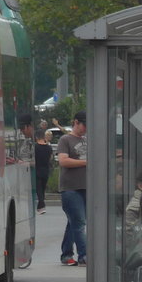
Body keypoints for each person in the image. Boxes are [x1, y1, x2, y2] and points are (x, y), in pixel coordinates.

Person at [57, 110, 88, 267]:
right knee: (79, 222)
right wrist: (85, 162)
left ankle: (66, 254)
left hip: (86, 187)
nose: (86, 128)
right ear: (76, 122)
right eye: (83, 125)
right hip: (70, 188)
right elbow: (63, 161)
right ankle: (84, 255)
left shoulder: (87, 140)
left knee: (74, 222)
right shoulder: (65, 139)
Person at [34, 128, 52, 214]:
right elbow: (50, 158)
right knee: (43, 188)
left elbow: (33, 160)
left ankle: (42, 205)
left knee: (38, 189)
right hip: (46, 170)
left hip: (37, 170)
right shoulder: (49, 148)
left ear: (36, 137)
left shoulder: (35, 147)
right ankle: (40, 207)